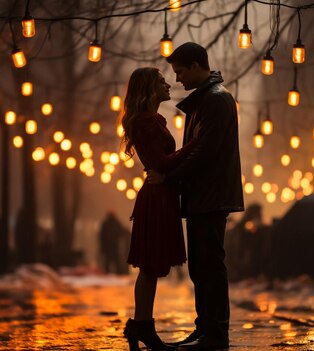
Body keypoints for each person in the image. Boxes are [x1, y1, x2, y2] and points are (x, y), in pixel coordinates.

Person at [149, 42, 244, 350]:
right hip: (204, 195)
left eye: (179, 72)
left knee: (209, 266)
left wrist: (169, 175)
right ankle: (205, 330)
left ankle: (214, 335)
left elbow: (205, 151)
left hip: (210, 195)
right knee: (201, 266)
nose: (177, 80)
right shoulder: (207, 100)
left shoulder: (215, 100)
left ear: (194, 65)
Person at [121, 67, 199, 351]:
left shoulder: (151, 120)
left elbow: (162, 163)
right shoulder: (144, 122)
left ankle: (141, 326)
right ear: (149, 89)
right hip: (156, 197)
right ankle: (142, 326)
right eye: (161, 81)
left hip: (162, 194)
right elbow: (161, 163)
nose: (168, 85)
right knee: (149, 265)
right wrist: (194, 145)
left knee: (151, 267)